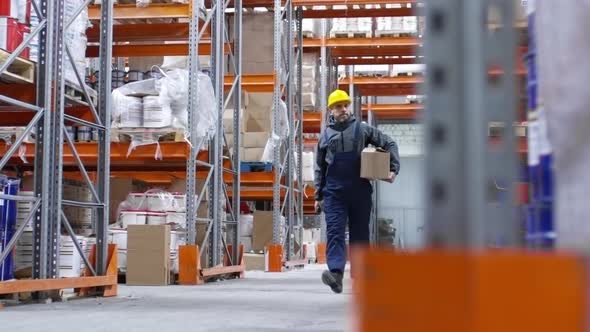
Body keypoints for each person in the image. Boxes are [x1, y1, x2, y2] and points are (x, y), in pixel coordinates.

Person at [314, 89, 400, 294]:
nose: (342, 109)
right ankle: (335, 274)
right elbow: (320, 167)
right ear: (330, 111)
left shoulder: (362, 130)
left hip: (359, 190)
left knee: (360, 233)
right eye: (338, 107)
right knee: (334, 231)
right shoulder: (325, 136)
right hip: (334, 192)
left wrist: (393, 168)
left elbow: (389, 143)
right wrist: (318, 195)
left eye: (345, 105)